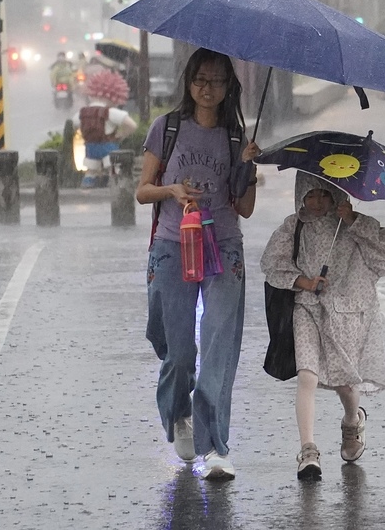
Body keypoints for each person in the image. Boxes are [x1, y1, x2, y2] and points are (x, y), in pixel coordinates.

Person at [136, 48, 260, 480]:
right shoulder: (167, 127)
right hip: (173, 245)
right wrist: (172, 190)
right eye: (200, 80)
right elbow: (142, 191)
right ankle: (179, 413)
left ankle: (217, 446)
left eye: (217, 81)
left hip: (223, 246)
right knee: (179, 353)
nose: (208, 89)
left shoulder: (235, 136)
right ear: (189, 82)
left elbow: (243, 208)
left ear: (230, 87)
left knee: (218, 349)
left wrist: (249, 169)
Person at [260, 172, 385, 480]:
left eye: (324, 194)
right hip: (306, 308)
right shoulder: (293, 226)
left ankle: (352, 420)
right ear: (300, 196)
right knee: (307, 376)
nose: (317, 202)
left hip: (346, 313)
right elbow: (272, 262)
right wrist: (304, 282)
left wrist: (353, 221)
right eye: (310, 195)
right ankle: (308, 450)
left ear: (336, 194)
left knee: (343, 381)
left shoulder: (351, 224)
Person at [72, 70, 137, 188]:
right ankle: (114, 188)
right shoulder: (111, 112)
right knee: (112, 170)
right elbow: (132, 125)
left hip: (90, 147)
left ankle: (87, 188)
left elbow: (74, 124)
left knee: (90, 171)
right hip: (108, 147)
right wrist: (120, 135)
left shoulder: (82, 113)